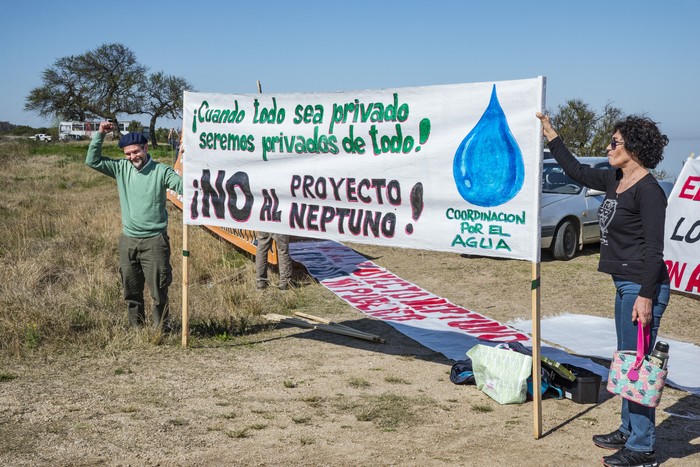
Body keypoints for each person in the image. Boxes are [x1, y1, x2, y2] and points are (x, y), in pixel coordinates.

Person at [537, 112, 670, 467]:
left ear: (634, 148)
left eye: (614, 142)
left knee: (638, 366)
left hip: (643, 288)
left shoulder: (650, 191)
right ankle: (628, 429)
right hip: (625, 285)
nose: (608, 147)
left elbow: (655, 250)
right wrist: (552, 135)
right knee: (627, 360)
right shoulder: (615, 178)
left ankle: (643, 448)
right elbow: (577, 172)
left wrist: (644, 296)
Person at [86, 121, 183, 330]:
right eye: (128, 154)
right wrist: (100, 134)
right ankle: (137, 329)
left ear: (145, 148)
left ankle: (160, 331)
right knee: (131, 290)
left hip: (155, 242)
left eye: (136, 152)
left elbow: (182, 186)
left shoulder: (161, 171)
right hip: (128, 240)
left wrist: (189, 163)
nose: (132, 157)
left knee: (159, 291)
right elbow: (92, 161)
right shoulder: (121, 168)